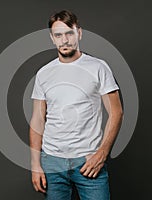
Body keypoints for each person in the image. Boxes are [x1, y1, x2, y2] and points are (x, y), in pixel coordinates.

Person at [29, 10, 123, 200]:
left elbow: (116, 112)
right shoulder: (44, 73)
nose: (64, 40)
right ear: (52, 38)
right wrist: (35, 165)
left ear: (79, 33)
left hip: (88, 161)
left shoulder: (98, 67)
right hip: (52, 161)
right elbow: (38, 120)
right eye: (58, 35)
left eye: (69, 33)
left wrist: (102, 154)